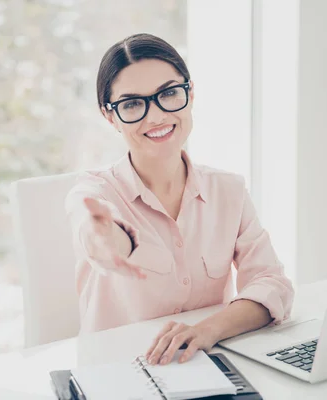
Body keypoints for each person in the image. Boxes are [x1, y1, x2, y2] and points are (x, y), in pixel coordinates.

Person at [65, 33, 294, 366]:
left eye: (169, 93)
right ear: (109, 116)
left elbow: (272, 283)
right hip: (117, 373)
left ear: (189, 94)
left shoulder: (228, 190)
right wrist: (108, 241)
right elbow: (97, 233)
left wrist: (206, 330)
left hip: (206, 367)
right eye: (132, 104)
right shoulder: (93, 192)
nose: (156, 115)